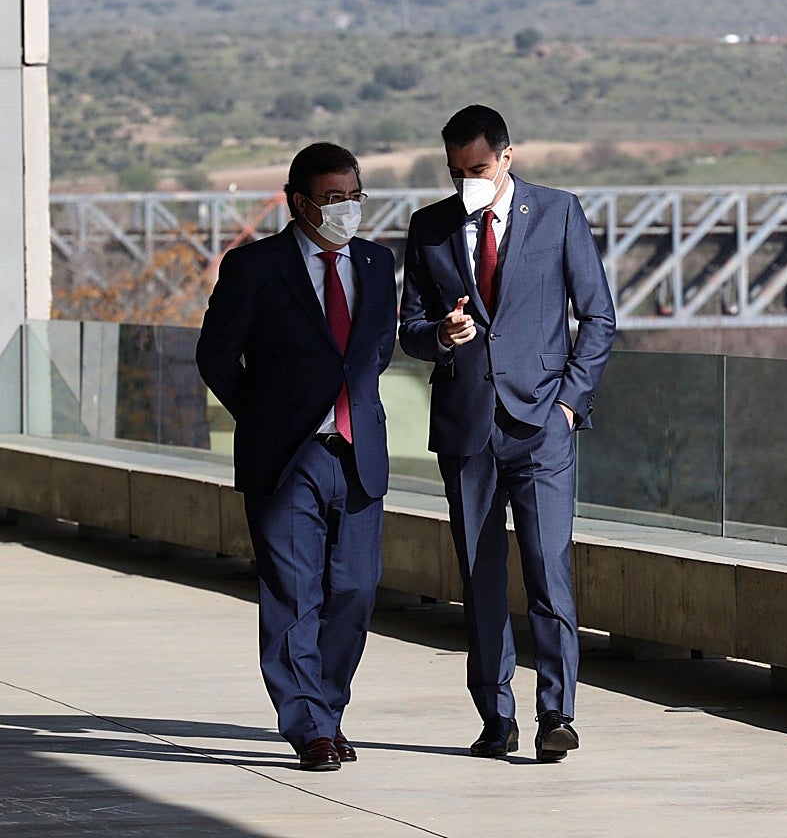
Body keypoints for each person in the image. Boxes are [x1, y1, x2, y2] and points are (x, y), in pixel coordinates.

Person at [399, 105, 616, 762]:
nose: (469, 180)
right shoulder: (429, 227)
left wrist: (570, 407)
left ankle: (558, 713)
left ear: (507, 157)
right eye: (457, 171)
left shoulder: (557, 213)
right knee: (481, 576)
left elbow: (599, 317)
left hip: (544, 425)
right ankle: (497, 717)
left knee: (549, 569)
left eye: (480, 168)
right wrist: (441, 335)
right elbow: (409, 327)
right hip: (467, 427)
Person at [196, 142, 397, 771]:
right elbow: (216, 357)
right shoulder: (255, 267)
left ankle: (328, 711)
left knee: (356, 591)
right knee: (293, 592)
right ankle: (308, 726)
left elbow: (375, 353)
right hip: (287, 457)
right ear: (299, 202)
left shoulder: (375, 261)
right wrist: (264, 416)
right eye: (332, 199)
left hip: (357, 452)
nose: (345, 210)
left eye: (353, 197)